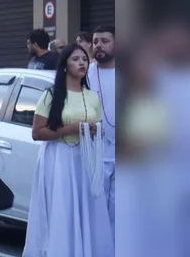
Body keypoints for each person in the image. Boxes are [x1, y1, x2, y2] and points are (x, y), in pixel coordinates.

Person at [23, 44, 114, 256]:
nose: (82, 63)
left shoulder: (91, 96)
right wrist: (71, 129)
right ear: (65, 65)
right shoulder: (51, 95)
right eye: (75, 59)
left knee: (87, 211)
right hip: (59, 159)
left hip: (86, 161)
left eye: (84, 59)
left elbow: (98, 127)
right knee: (62, 210)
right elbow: (37, 132)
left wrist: (93, 130)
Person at [86, 25, 115, 241]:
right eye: (95, 41)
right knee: (97, 216)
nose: (99, 46)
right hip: (95, 156)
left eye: (104, 41)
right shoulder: (85, 74)